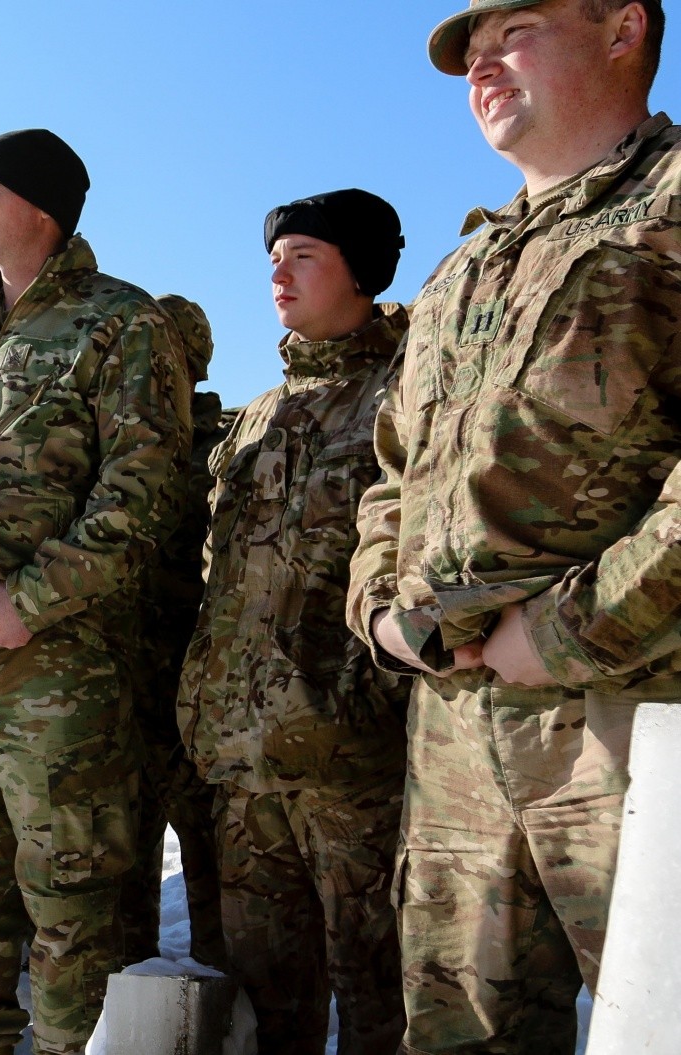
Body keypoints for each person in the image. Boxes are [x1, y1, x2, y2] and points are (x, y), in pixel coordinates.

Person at [351, 3, 678, 1050]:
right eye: (469, 56)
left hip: (639, 715)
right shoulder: (462, 269)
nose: (482, 67)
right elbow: (393, 473)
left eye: (517, 30)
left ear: (622, 27)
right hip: (455, 731)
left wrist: (572, 629)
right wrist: (381, 612)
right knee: (458, 1031)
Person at [0, 128, 191, 1053]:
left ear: (44, 207)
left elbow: (148, 486)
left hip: (60, 666)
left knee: (71, 890)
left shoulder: (120, 323)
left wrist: (35, 596)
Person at [178, 191, 411, 1055]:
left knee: (382, 1002)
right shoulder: (254, 418)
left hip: (355, 763)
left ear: (360, 270)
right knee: (271, 1007)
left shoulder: (406, 392)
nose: (279, 270)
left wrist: (372, 697)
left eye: (304, 254)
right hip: (245, 765)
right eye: (275, 255)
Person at [121, 294, 229, 971]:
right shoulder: (115, 448)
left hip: (196, 698)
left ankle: (222, 1012)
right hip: (124, 697)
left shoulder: (223, 452)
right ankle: (124, 1009)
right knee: (118, 871)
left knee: (214, 873)